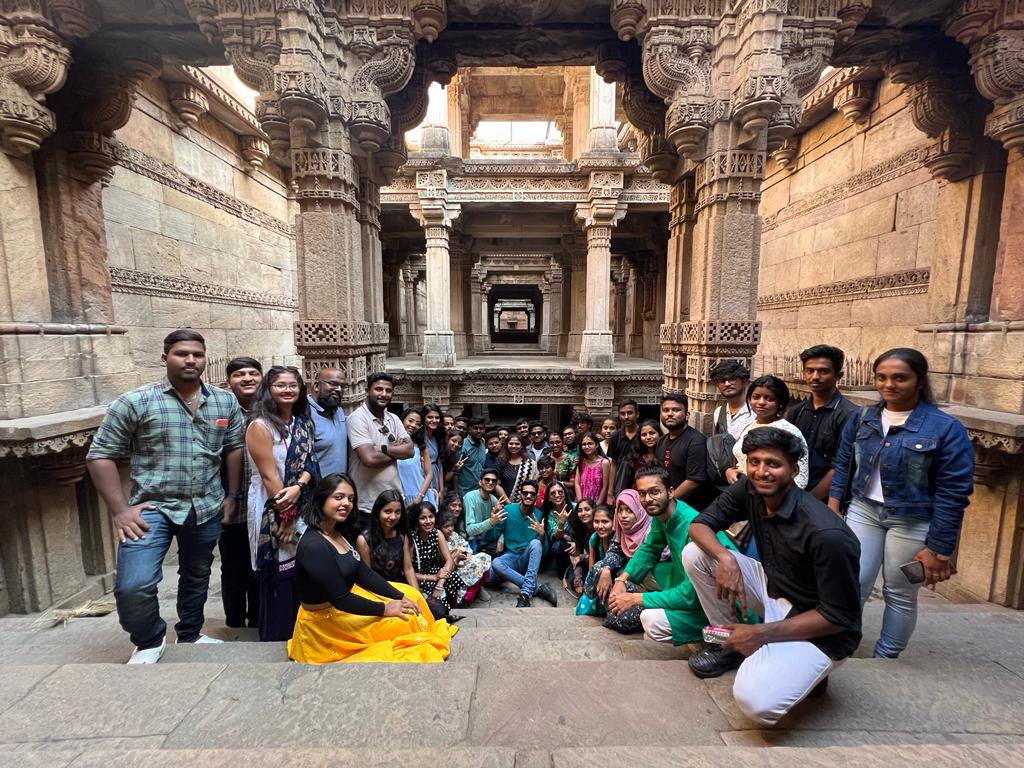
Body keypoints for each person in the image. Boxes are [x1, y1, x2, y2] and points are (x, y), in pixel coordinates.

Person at [683, 427, 862, 727]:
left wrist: (760, 634)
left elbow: (838, 617)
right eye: (754, 462)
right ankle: (728, 645)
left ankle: (803, 668)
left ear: (794, 470)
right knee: (696, 554)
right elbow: (700, 524)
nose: (762, 472)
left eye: (773, 464)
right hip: (775, 589)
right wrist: (725, 557)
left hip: (820, 628)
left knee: (754, 701)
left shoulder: (827, 534)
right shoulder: (750, 488)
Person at [87, 329, 245, 664]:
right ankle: (148, 640)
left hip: (205, 506)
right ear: (164, 358)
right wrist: (119, 510)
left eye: (197, 355)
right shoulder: (135, 401)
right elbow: (100, 454)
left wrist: (232, 495)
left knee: (197, 574)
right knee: (134, 585)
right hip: (152, 508)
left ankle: (190, 633)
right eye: (181, 354)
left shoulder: (224, 401)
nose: (190, 360)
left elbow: (233, 448)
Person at [829, 347, 973, 659]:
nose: (889, 384)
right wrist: (833, 506)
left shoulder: (945, 428)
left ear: (919, 381)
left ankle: (886, 657)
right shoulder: (862, 418)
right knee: (852, 582)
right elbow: (843, 464)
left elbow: (953, 492)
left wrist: (939, 549)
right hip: (864, 511)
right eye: (881, 377)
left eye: (899, 378)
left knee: (899, 590)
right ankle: (842, 646)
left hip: (913, 520)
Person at [288, 474, 456, 664]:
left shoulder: (337, 531)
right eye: (339, 497)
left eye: (350, 498)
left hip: (349, 599)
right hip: (327, 621)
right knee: (404, 620)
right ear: (321, 499)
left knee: (412, 595)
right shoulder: (314, 545)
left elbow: (364, 573)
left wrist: (399, 596)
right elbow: (341, 599)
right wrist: (386, 608)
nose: (346, 503)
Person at [607, 465, 740, 646]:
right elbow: (649, 549)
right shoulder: (662, 514)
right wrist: (622, 579)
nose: (648, 499)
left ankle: (723, 639)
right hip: (693, 590)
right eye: (642, 494)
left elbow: (689, 595)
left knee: (650, 619)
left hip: (726, 605)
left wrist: (636, 599)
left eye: (655, 492)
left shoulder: (691, 526)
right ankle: (709, 633)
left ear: (670, 492)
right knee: (647, 571)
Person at [245, 365, 318, 641]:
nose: (288, 390)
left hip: (300, 503)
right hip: (271, 505)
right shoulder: (260, 426)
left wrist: (299, 487)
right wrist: (286, 518)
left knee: (299, 567)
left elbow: (310, 462)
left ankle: (301, 632)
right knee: (279, 569)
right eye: (280, 385)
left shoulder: (301, 423)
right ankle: (277, 635)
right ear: (269, 389)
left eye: (293, 385)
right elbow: (269, 475)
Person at [219, 356, 262, 629]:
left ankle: (258, 618)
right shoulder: (220, 412)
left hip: (261, 504)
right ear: (228, 382)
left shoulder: (269, 411)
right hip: (230, 504)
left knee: (258, 564)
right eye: (239, 374)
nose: (247, 378)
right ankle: (234, 622)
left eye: (253, 373)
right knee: (233, 566)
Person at [787, 345, 858, 500]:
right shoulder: (796, 412)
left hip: (827, 499)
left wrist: (808, 500)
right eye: (810, 370)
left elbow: (842, 465)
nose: (815, 376)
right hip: (792, 492)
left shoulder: (850, 415)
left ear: (838, 375)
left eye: (823, 371)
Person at [347, 372, 413, 525]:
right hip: (368, 505)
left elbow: (410, 450)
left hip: (395, 501)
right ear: (367, 391)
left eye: (388, 390)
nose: (384, 394)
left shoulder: (393, 418)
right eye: (378, 389)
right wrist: (397, 452)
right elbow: (369, 459)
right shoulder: (357, 419)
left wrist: (383, 448)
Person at [726, 375, 809, 490]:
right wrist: (731, 471)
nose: (761, 402)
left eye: (769, 399)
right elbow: (742, 461)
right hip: (742, 490)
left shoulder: (787, 431)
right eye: (756, 397)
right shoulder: (750, 427)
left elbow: (800, 480)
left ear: (780, 402)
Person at [587, 489, 651, 633]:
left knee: (621, 620)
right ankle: (612, 608)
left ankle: (614, 611)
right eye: (620, 510)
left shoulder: (652, 531)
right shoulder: (622, 531)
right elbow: (614, 551)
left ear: (639, 509)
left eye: (629, 510)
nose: (623, 516)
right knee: (600, 568)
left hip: (653, 590)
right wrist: (606, 569)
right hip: (631, 582)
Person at [490, 480, 559, 608]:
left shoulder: (540, 515)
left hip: (528, 560)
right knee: (495, 565)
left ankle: (525, 595)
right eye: (525, 493)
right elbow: (491, 536)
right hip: (510, 557)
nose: (528, 496)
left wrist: (542, 535)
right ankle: (537, 588)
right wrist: (494, 522)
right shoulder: (508, 510)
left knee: (535, 543)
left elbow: (543, 553)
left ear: (536, 496)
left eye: (532, 494)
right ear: (520, 495)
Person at [403, 501, 466, 618]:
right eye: (423, 518)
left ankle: (445, 609)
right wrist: (433, 578)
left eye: (431, 517)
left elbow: (449, 560)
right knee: (436, 611)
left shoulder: (437, 533)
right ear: (416, 520)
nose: (428, 521)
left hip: (435, 575)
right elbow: (407, 571)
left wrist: (439, 584)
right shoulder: (411, 538)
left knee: (452, 576)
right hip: (417, 579)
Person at [655, 393, 715, 511]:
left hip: (690, 509)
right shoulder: (661, 441)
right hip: (668, 506)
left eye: (676, 410)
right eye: (666, 410)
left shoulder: (696, 441)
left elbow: (694, 481)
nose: (670, 414)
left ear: (687, 415)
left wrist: (668, 502)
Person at [355, 489, 409, 584]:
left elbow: (408, 569)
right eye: (388, 512)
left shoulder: (402, 536)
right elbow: (367, 577)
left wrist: (417, 592)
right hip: (376, 587)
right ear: (378, 512)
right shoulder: (364, 540)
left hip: (399, 585)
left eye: (397, 512)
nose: (393, 517)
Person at [439, 509, 491, 605]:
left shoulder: (454, 535)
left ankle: (477, 589)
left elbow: (464, 545)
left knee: (483, 557)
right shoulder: (440, 540)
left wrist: (466, 554)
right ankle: (466, 597)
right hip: (453, 568)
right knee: (471, 570)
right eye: (446, 526)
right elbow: (446, 561)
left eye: (451, 525)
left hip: (463, 561)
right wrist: (457, 555)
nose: (450, 529)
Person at [307, 367, 348, 476]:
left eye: (343, 386)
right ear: (316, 386)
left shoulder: (339, 411)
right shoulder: (304, 415)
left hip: (341, 484)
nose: (339, 389)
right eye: (333, 384)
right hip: (318, 485)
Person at [577, 503, 615, 616]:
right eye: (596, 522)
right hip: (598, 578)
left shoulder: (618, 539)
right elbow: (592, 570)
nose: (600, 526)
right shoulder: (594, 538)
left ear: (614, 522)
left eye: (605, 521)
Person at [397, 407, 438, 508]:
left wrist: (419, 497)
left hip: (420, 497)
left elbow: (429, 474)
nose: (413, 425)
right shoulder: (392, 444)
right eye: (410, 421)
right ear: (402, 420)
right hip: (399, 498)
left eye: (418, 424)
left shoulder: (421, 447)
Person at [463, 468, 506, 558]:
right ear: (480, 482)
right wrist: (490, 522)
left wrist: (501, 540)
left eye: (493, 481)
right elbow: (470, 530)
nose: (490, 482)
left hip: (489, 540)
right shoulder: (470, 497)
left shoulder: (494, 500)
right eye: (487, 479)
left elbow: (504, 525)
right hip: (472, 540)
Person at [710, 361, 755, 440]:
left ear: (744, 380)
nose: (727, 384)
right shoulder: (719, 412)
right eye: (722, 381)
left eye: (732, 379)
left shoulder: (755, 412)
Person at [541, 478, 574, 576]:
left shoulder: (576, 507)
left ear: (565, 494)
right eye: (553, 493)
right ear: (549, 498)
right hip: (562, 548)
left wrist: (576, 543)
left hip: (579, 544)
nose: (557, 495)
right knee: (557, 546)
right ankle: (564, 570)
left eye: (560, 492)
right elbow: (555, 538)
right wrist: (561, 524)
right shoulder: (549, 514)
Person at [607, 399, 640, 496]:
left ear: (637, 414)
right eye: (622, 414)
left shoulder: (644, 434)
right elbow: (614, 464)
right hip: (621, 483)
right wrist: (610, 492)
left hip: (641, 481)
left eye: (630, 413)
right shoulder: (615, 436)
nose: (626, 417)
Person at [563, 497, 595, 596]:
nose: (583, 513)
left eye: (587, 509)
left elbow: (602, 557)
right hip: (587, 563)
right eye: (580, 511)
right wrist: (578, 582)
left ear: (594, 510)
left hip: (600, 564)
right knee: (573, 579)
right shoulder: (580, 530)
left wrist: (582, 557)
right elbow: (577, 559)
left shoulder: (600, 528)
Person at [498, 433, 537, 503]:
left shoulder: (530, 464)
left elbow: (533, 484)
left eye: (517, 444)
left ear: (522, 446)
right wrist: (508, 502)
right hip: (504, 502)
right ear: (507, 445)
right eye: (511, 443)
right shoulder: (501, 462)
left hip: (525, 502)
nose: (514, 446)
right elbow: (497, 484)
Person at [574, 432, 611, 505]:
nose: (586, 446)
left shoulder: (604, 463)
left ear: (597, 445)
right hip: (582, 504)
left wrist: (596, 507)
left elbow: (605, 487)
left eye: (590, 444)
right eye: (584, 444)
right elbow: (577, 484)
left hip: (598, 505)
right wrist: (581, 504)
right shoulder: (581, 461)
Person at [421, 403, 448, 500]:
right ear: (423, 418)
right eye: (430, 417)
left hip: (435, 476)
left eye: (437, 418)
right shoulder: (419, 438)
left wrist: (441, 489)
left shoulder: (437, 437)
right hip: (422, 477)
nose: (434, 420)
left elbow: (439, 464)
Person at [456, 416, 487, 497]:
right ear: (469, 430)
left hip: (480, 490)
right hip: (465, 492)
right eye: (475, 428)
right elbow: (455, 472)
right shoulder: (462, 445)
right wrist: (456, 494)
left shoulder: (482, 443)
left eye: (481, 428)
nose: (479, 431)